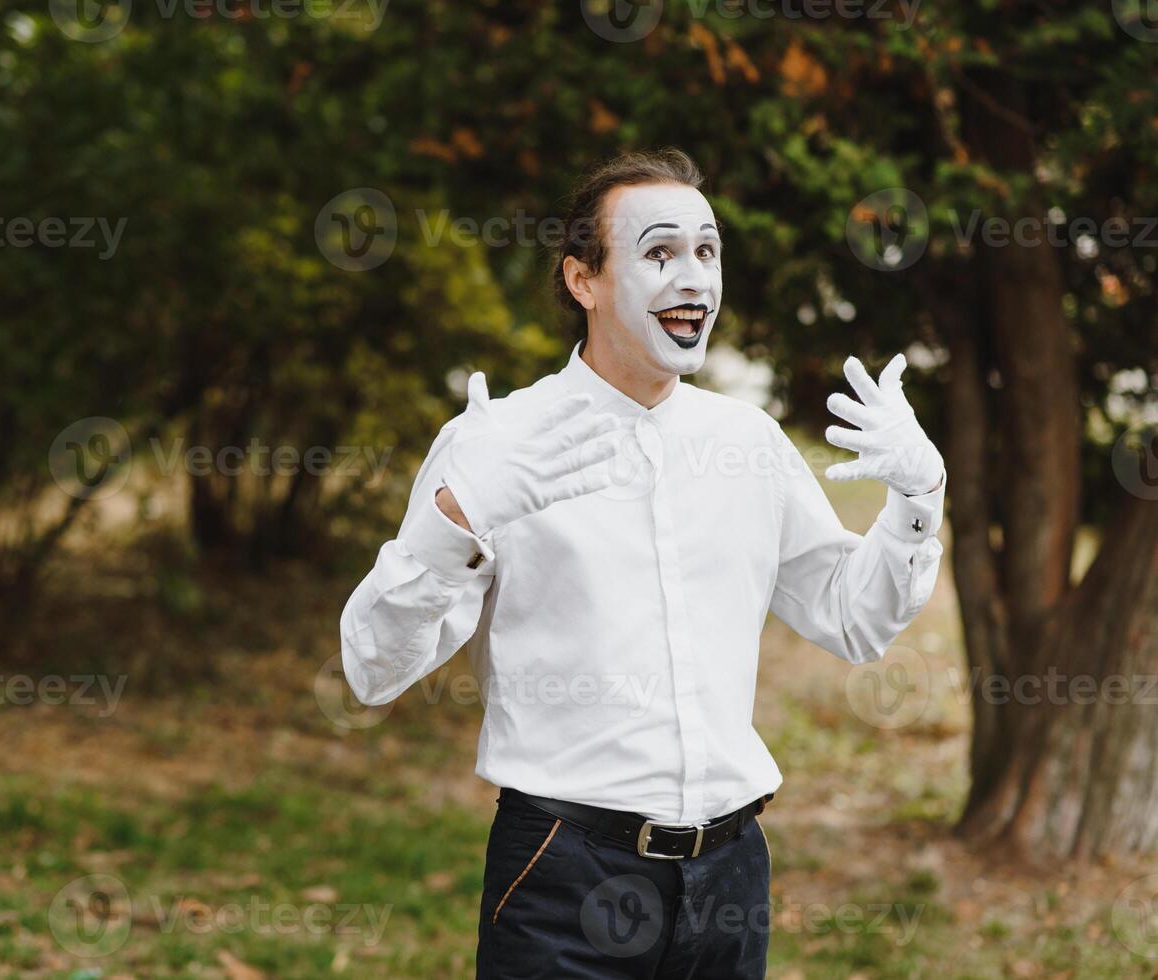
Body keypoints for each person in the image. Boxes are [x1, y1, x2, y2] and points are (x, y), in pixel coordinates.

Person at [339, 148, 946, 979]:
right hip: (565, 871)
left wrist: (918, 497)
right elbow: (373, 667)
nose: (693, 277)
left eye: (707, 250)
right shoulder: (495, 447)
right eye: (659, 254)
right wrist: (454, 519)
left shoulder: (748, 444)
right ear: (582, 280)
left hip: (731, 874)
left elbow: (853, 618)